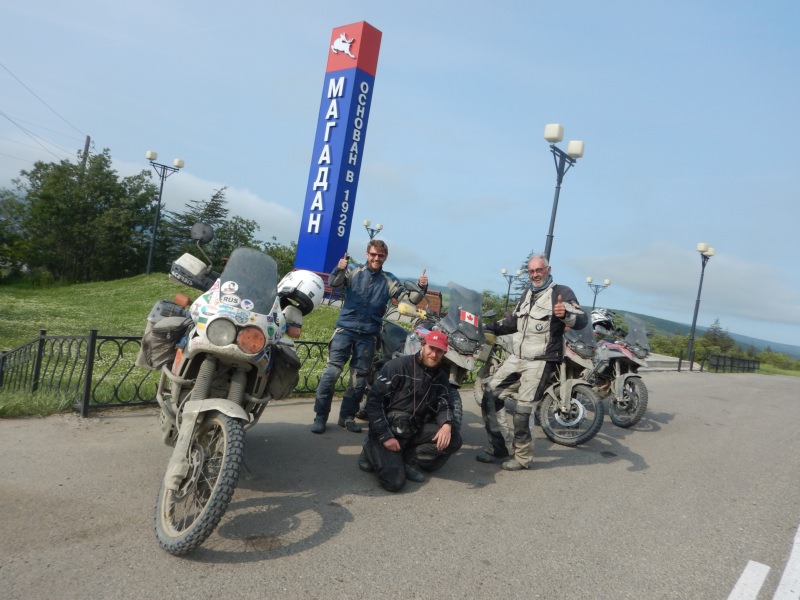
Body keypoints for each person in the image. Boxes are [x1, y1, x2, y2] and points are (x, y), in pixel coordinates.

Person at [477, 253, 587, 471]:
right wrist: (485, 326)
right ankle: (498, 447)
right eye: (531, 271)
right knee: (489, 395)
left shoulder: (561, 293)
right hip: (517, 357)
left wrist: (565, 314)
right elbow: (512, 322)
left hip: (541, 361)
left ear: (548, 269)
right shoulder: (528, 293)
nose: (535, 274)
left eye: (539, 270)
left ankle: (522, 457)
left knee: (522, 412)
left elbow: (581, 320)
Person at [311, 240, 427, 434]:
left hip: (369, 334)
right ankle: (320, 416)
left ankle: (347, 417)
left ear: (385, 257)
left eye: (380, 255)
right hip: (345, 330)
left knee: (359, 379)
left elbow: (406, 299)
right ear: (367, 254)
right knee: (331, 374)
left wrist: (421, 288)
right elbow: (334, 283)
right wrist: (339, 269)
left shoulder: (389, 280)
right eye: (373, 254)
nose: (376, 258)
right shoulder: (353, 271)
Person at [357, 330, 462, 492]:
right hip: (388, 430)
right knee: (394, 483)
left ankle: (405, 460)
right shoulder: (397, 366)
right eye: (431, 348)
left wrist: (446, 424)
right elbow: (374, 402)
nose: (434, 354)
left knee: (453, 439)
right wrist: (385, 436)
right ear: (423, 346)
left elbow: (445, 402)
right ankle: (369, 449)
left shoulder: (441, 376)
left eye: (439, 351)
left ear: (444, 353)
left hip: (414, 429)